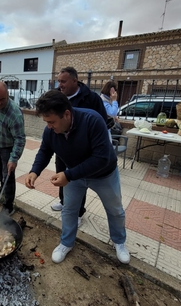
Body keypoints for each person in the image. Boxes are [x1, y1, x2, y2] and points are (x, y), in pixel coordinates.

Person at [25, 90, 130, 265]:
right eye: (46, 122)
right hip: (74, 174)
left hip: (104, 174)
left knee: (115, 210)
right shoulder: (50, 130)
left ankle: (119, 242)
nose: (49, 126)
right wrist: (34, 171)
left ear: (67, 114)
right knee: (69, 210)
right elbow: (45, 150)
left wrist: (68, 174)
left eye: (52, 122)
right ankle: (66, 243)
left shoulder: (92, 120)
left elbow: (101, 158)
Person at [50, 67, 107, 227]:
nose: (59, 85)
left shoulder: (91, 98)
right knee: (62, 175)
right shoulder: (57, 96)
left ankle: (79, 211)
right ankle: (64, 202)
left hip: (83, 149)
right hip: (62, 145)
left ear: (75, 81)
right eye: (58, 81)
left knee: (78, 177)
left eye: (63, 81)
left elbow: (102, 122)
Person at [0, 81, 26, 215]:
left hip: (8, 148)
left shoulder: (15, 114)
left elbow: (20, 139)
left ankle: (9, 205)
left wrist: (14, 159)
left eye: (2, 99)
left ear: (8, 95)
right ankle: (2, 189)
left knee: (8, 176)